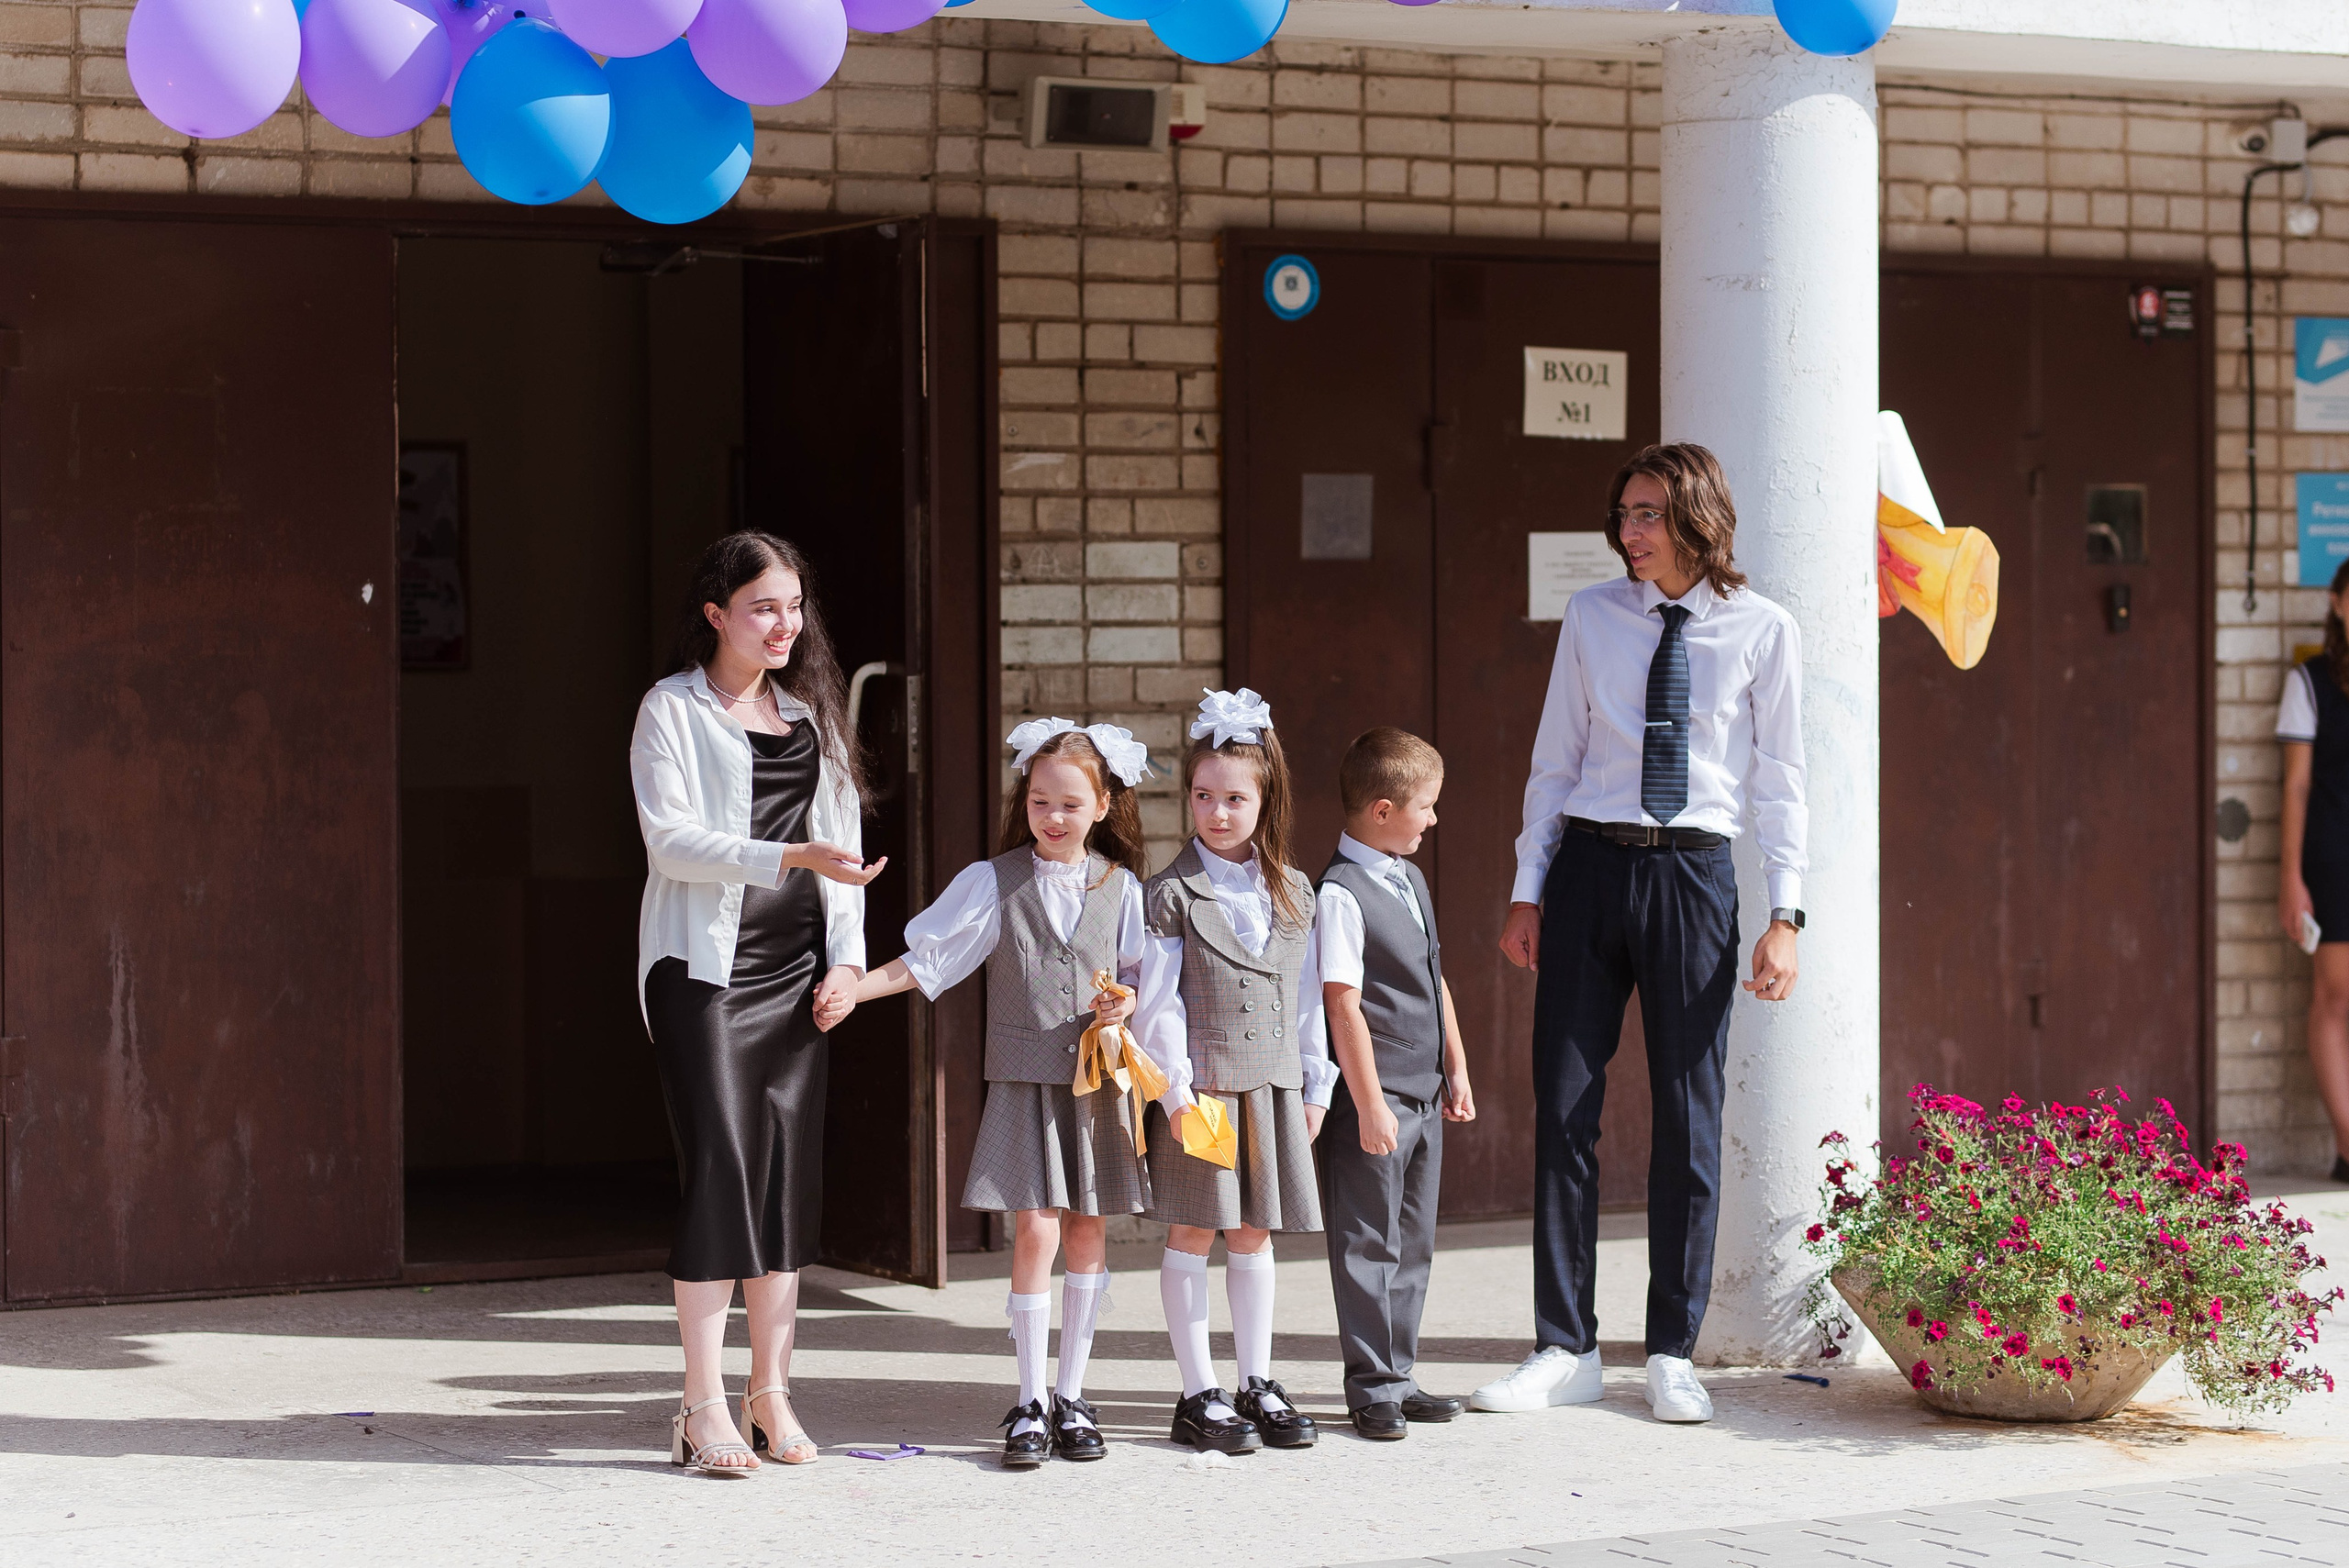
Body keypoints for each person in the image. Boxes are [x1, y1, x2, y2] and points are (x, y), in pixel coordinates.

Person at [1479, 443, 1805, 1426]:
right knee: (1565, 1108)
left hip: (1694, 875)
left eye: (1649, 513)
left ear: (1698, 517)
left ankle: (1671, 1346)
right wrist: (1528, 888)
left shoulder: (1761, 627)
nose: (1629, 531)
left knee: (1686, 1117)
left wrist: (1785, 912)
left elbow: (1782, 780)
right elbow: (1554, 758)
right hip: (1587, 867)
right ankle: (1563, 1344)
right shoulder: (1591, 616)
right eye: (1623, 513)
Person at [629, 531, 885, 1477]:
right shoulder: (672, 709)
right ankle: (700, 1404)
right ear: (716, 615)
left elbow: (846, 856)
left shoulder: (811, 713)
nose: (783, 624)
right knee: (722, 1171)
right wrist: (784, 857)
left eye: (792, 606)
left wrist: (848, 968)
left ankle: (768, 1393)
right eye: (762, 607)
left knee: (782, 1177)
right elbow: (671, 842)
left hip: (795, 973)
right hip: (701, 973)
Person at [852, 719, 1155, 1467]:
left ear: (1105, 805)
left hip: (1093, 1085)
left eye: (1071, 805)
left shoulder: (1123, 889)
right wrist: (852, 990)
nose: (1053, 817)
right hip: (1024, 1079)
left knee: (1087, 1229)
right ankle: (1027, 1399)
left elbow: (1148, 981)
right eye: (1040, 801)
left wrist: (1126, 1003)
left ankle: (1072, 1395)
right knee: (1035, 1231)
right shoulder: (994, 880)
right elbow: (929, 960)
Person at [1138, 688, 1335, 1454]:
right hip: (1206, 1089)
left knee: (1254, 1233)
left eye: (1234, 798)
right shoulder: (1171, 894)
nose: (1217, 812)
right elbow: (1160, 1005)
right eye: (1202, 795)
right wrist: (1177, 1090)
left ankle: (1256, 1379)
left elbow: (1310, 996)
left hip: (1276, 1085)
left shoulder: (1293, 890)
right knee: (1194, 1229)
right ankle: (1198, 1392)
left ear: (1266, 799)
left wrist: (1314, 1084)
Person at [1315, 727, 1476, 1441]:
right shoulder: (1341, 893)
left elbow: (1433, 973)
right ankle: (1371, 1383)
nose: (1435, 820)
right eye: (1426, 806)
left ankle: (1401, 1374)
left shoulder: (1408, 877)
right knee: (1366, 1240)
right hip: (1374, 1097)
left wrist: (1457, 1063)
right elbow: (1342, 1002)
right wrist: (1371, 1101)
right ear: (1383, 809)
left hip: (1424, 1089)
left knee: (1413, 1239)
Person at [2275, 556, 2349, 1184]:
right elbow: (2296, 786)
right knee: (2336, 994)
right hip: (2335, 855)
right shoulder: (2310, 681)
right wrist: (2289, 876)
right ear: (2338, 603)